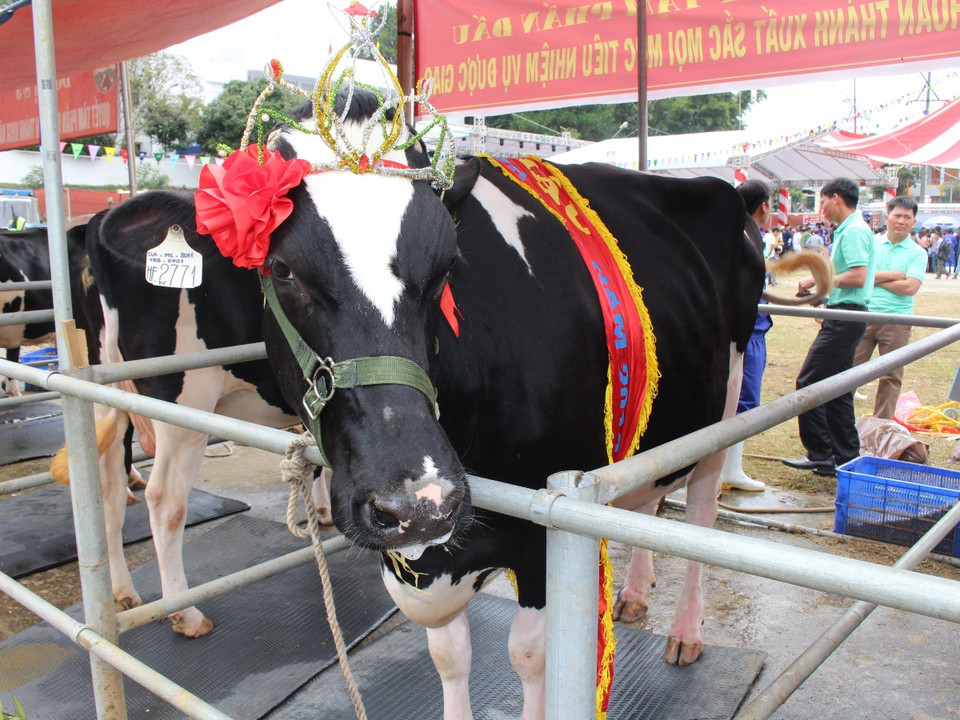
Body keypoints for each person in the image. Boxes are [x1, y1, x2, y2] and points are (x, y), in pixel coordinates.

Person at [782, 177, 875, 476]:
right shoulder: (849, 229)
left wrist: (819, 280)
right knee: (838, 389)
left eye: (822, 201)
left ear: (836, 198)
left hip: (846, 318)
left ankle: (820, 453)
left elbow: (858, 277)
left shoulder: (854, 231)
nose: (821, 208)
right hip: (844, 314)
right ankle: (845, 456)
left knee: (808, 383)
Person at [720, 179, 773, 492]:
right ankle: (729, 469)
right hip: (746, 331)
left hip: (738, 327)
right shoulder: (748, 236)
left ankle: (727, 468)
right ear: (764, 206)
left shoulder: (727, 230)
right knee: (741, 397)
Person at [852, 197, 927, 419]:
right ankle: (839, 423)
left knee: (891, 377)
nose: (901, 221)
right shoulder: (872, 243)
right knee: (849, 372)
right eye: (897, 215)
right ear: (887, 217)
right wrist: (894, 275)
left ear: (914, 222)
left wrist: (873, 279)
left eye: (907, 217)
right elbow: (859, 276)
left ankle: (881, 425)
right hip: (864, 314)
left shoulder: (918, 253)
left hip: (898, 321)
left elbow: (910, 287)